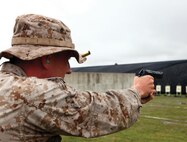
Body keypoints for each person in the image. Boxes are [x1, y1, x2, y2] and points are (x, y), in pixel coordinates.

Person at [0, 14, 155, 142]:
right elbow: (94, 111)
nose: (69, 69)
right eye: (66, 59)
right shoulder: (32, 93)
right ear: (46, 59)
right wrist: (138, 91)